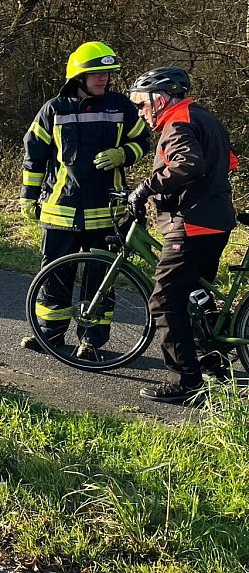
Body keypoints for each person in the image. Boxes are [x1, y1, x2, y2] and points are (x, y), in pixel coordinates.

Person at [20, 41, 152, 358]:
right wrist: (28, 196)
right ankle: (49, 336)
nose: (104, 78)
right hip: (60, 211)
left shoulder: (121, 107)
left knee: (100, 281)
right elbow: (34, 156)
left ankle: (91, 342)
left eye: (108, 73)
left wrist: (124, 153)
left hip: (106, 212)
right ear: (78, 77)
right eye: (96, 73)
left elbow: (144, 140)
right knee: (54, 279)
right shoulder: (53, 110)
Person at [126, 66, 236, 404]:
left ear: (159, 99)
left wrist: (146, 187)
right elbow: (229, 162)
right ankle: (212, 361)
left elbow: (189, 165)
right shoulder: (203, 117)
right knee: (195, 298)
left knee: (165, 301)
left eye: (142, 104)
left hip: (191, 225)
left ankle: (185, 383)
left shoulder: (177, 122)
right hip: (215, 221)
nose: (141, 112)